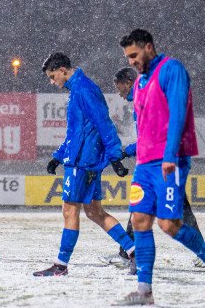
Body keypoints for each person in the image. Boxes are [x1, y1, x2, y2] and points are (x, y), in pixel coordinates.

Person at [117, 28, 205, 306]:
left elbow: (178, 113)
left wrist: (169, 155)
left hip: (170, 161)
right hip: (145, 164)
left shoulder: (172, 70)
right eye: (127, 57)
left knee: (169, 225)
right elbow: (145, 128)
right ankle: (144, 291)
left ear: (149, 47)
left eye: (134, 55)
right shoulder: (141, 82)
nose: (131, 61)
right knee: (140, 221)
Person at [35, 52, 133, 277]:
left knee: (70, 210)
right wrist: (58, 156)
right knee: (95, 212)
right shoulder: (79, 88)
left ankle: (60, 265)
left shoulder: (83, 89)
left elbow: (104, 123)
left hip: (82, 162)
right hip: (82, 159)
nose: (52, 82)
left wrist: (115, 155)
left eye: (52, 76)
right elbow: (76, 133)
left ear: (63, 70)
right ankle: (134, 252)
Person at [106, 66, 205, 271]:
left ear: (128, 82)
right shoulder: (144, 97)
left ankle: (203, 255)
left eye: (119, 87)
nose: (119, 92)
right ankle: (126, 253)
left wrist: (128, 150)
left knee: (163, 209)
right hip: (159, 161)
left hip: (159, 163)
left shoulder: (143, 99)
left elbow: (151, 136)